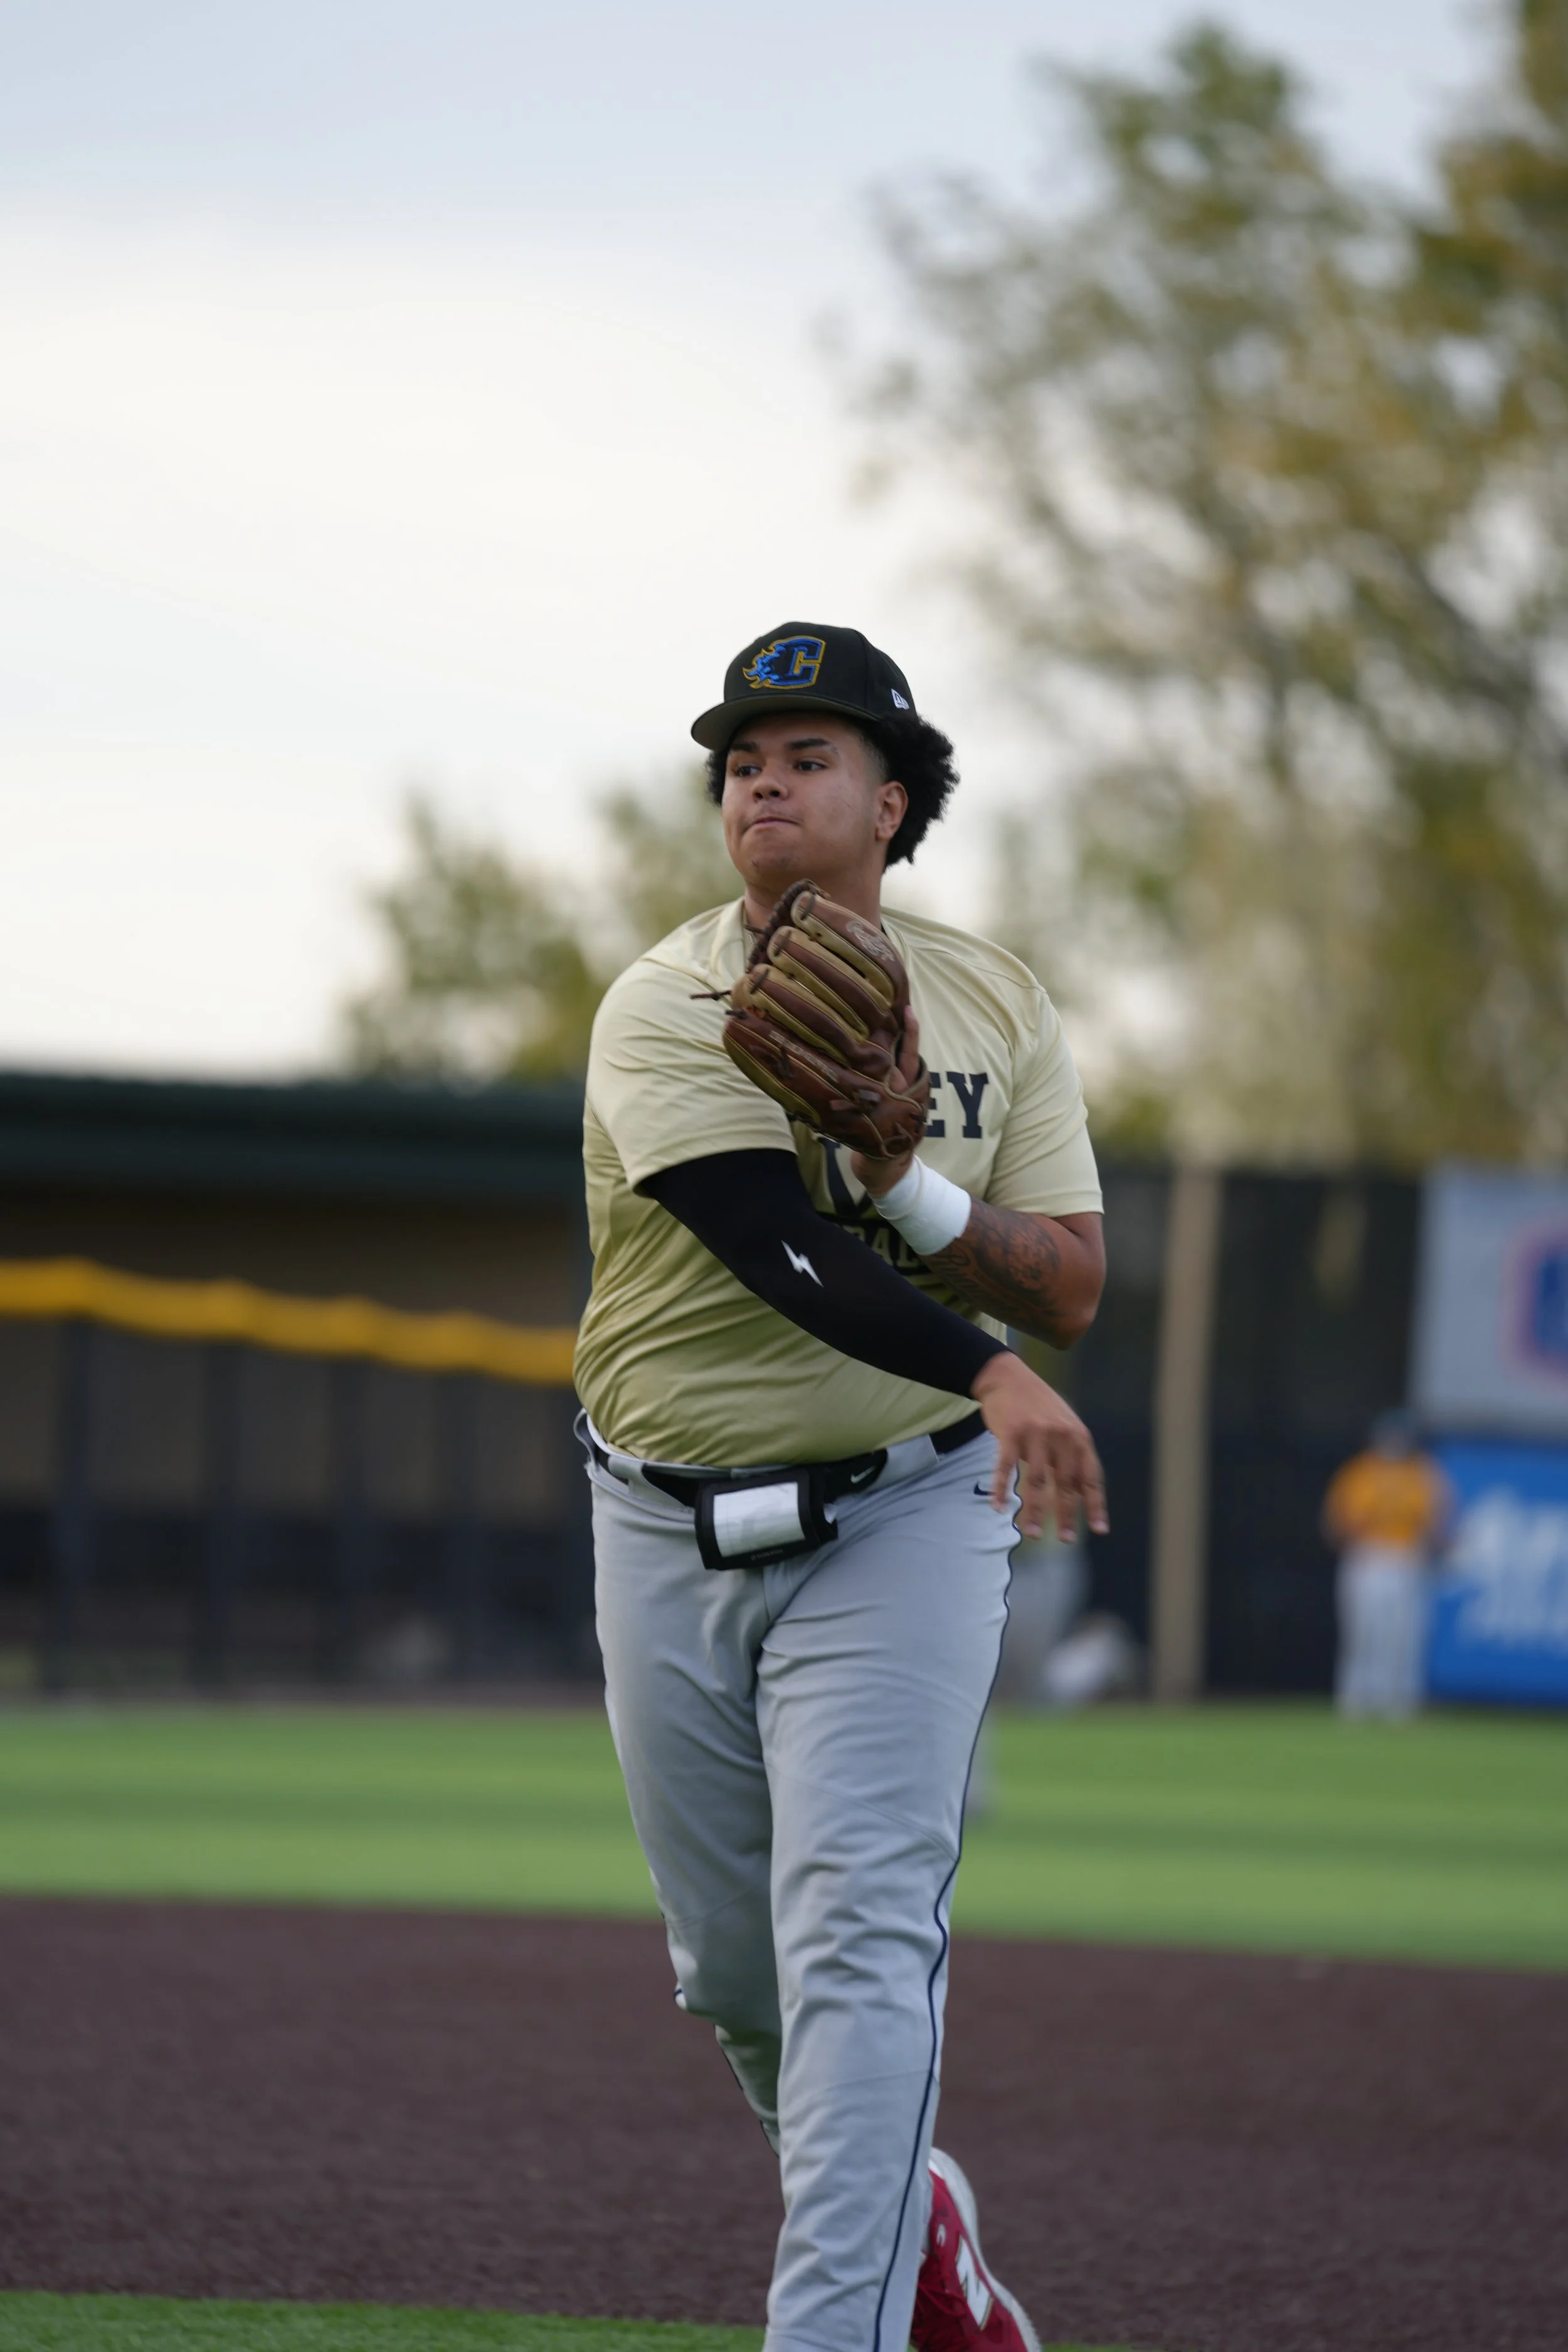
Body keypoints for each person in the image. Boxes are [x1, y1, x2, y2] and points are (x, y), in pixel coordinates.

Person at [573, 622, 1107, 2352]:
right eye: (740, 757)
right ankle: (918, 2219)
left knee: (862, 1944)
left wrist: (916, 1181)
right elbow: (769, 1246)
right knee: (735, 1979)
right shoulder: (665, 998)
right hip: (661, 1507)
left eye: (807, 753)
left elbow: (1072, 1283)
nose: (761, 779)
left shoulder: (997, 1000)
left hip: (903, 1516)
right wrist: (989, 1359)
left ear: (893, 799)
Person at [1322, 1411, 1452, 1720]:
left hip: (1407, 1558)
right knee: (1364, 1631)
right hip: (1368, 1556)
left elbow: (1437, 1524)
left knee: (1405, 1634)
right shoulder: (1361, 1472)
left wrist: (1439, 1549)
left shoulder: (1422, 1474)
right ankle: (1356, 1699)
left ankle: (1401, 1701)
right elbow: (1338, 1522)